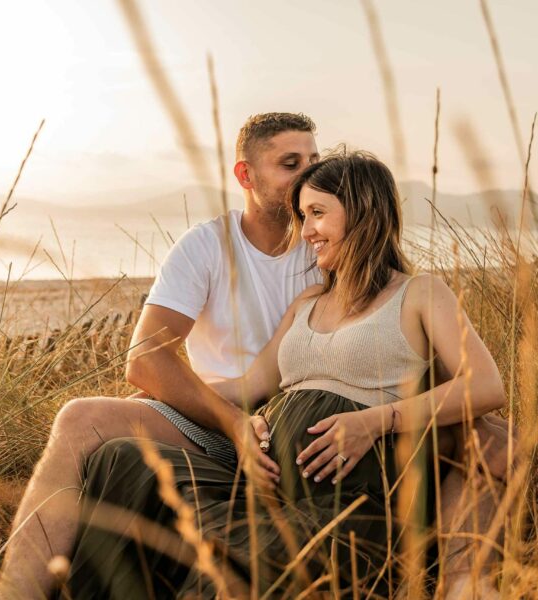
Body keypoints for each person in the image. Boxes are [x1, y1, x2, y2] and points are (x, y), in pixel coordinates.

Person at [63, 151, 509, 599]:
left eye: (317, 213)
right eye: (302, 215)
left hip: (346, 502)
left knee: (235, 567)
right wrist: (159, 400)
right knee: (121, 458)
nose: (306, 230)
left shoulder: (419, 293)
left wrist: (374, 421)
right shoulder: (309, 302)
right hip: (268, 491)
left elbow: (486, 386)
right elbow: (250, 387)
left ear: (364, 211)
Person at [0, 112, 322, 598]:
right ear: (245, 176)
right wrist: (232, 421)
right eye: (290, 163)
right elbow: (145, 358)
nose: (309, 175)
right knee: (80, 418)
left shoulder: (330, 240)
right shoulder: (207, 246)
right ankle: (12, 595)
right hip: (217, 420)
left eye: (315, 161)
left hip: (300, 422)